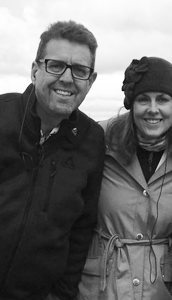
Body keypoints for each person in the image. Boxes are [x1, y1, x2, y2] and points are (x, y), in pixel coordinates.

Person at [78, 56, 172, 300]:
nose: (152, 109)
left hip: (162, 286)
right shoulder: (99, 139)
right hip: (100, 287)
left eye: (162, 99)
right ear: (131, 103)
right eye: (142, 99)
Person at [0, 20, 105, 300]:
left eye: (80, 71)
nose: (68, 79)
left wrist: (62, 295)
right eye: (56, 65)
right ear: (35, 70)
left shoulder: (92, 139)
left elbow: (82, 229)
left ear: (90, 81)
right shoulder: (1, 116)